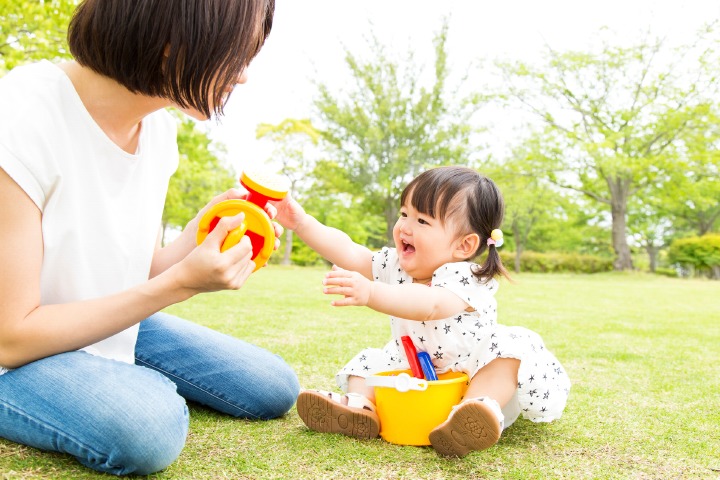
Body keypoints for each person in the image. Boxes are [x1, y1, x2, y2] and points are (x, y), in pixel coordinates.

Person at [0, 0, 300, 475]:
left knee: (272, 386)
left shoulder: (157, 129)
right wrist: (181, 284)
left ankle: (106, 377)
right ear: (170, 37)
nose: (241, 77)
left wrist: (201, 233)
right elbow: (10, 337)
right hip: (17, 350)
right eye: (236, 55)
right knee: (147, 429)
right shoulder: (20, 116)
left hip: (92, 322)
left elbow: (131, 269)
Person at [273, 166, 570, 457]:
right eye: (404, 214)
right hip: (414, 366)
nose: (405, 226)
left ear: (464, 245)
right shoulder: (395, 265)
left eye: (422, 221)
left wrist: (370, 292)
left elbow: (430, 305)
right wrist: (302, 223)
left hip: (470, 373)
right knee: (371, 362)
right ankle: (361, 407)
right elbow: (349, 251)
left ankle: (475, 412)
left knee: (509, 352)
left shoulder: (467, 277)